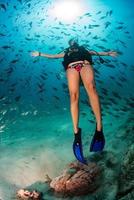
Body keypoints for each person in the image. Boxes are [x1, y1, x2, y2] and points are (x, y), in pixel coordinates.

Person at [31, 38, 118, 164]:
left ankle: (99, 127)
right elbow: (54, 56)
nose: (73, 43)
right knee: (73, 96)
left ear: (77, 43)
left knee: (91, 88)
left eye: (74, 42)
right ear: (69, 45)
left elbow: (96, 53)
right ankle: (76, 133)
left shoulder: (84, 49)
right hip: (71, 68)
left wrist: (108, 53)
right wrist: (40, 54)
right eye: (71, 42)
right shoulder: (65, 52)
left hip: (85, 64)